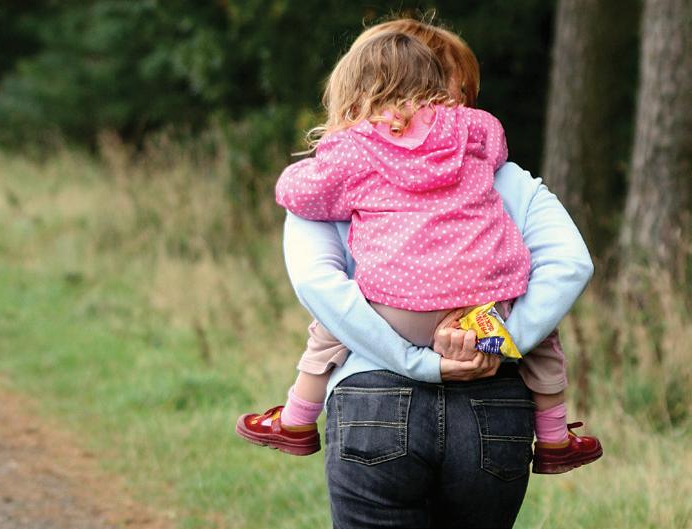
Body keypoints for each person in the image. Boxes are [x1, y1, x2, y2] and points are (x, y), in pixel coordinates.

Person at [235, 18, 601, 527]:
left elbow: (320, 285)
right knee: (528, 307)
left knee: (330, 323)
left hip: (374, 395)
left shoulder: (345, 160)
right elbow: (571, 264)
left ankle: (297, 416)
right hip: (493, 389)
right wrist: (491, 342)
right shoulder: (499, 170)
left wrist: (418, 361)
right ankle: (556, 434)